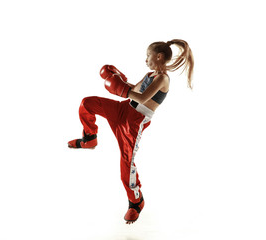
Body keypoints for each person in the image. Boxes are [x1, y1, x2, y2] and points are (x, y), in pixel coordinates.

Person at [68, 39, 194, 224]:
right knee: (87, 103)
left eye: (148, 56)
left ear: (158, 57)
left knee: (126, 164)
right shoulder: (150, 74)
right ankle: (89, 138)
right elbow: (133, 90)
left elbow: (142, 98)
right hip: (123, 108)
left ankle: (136, 202)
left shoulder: (163, 79)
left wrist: (121, 88)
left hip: (134, 122)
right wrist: (120, 80)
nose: (145, 60)